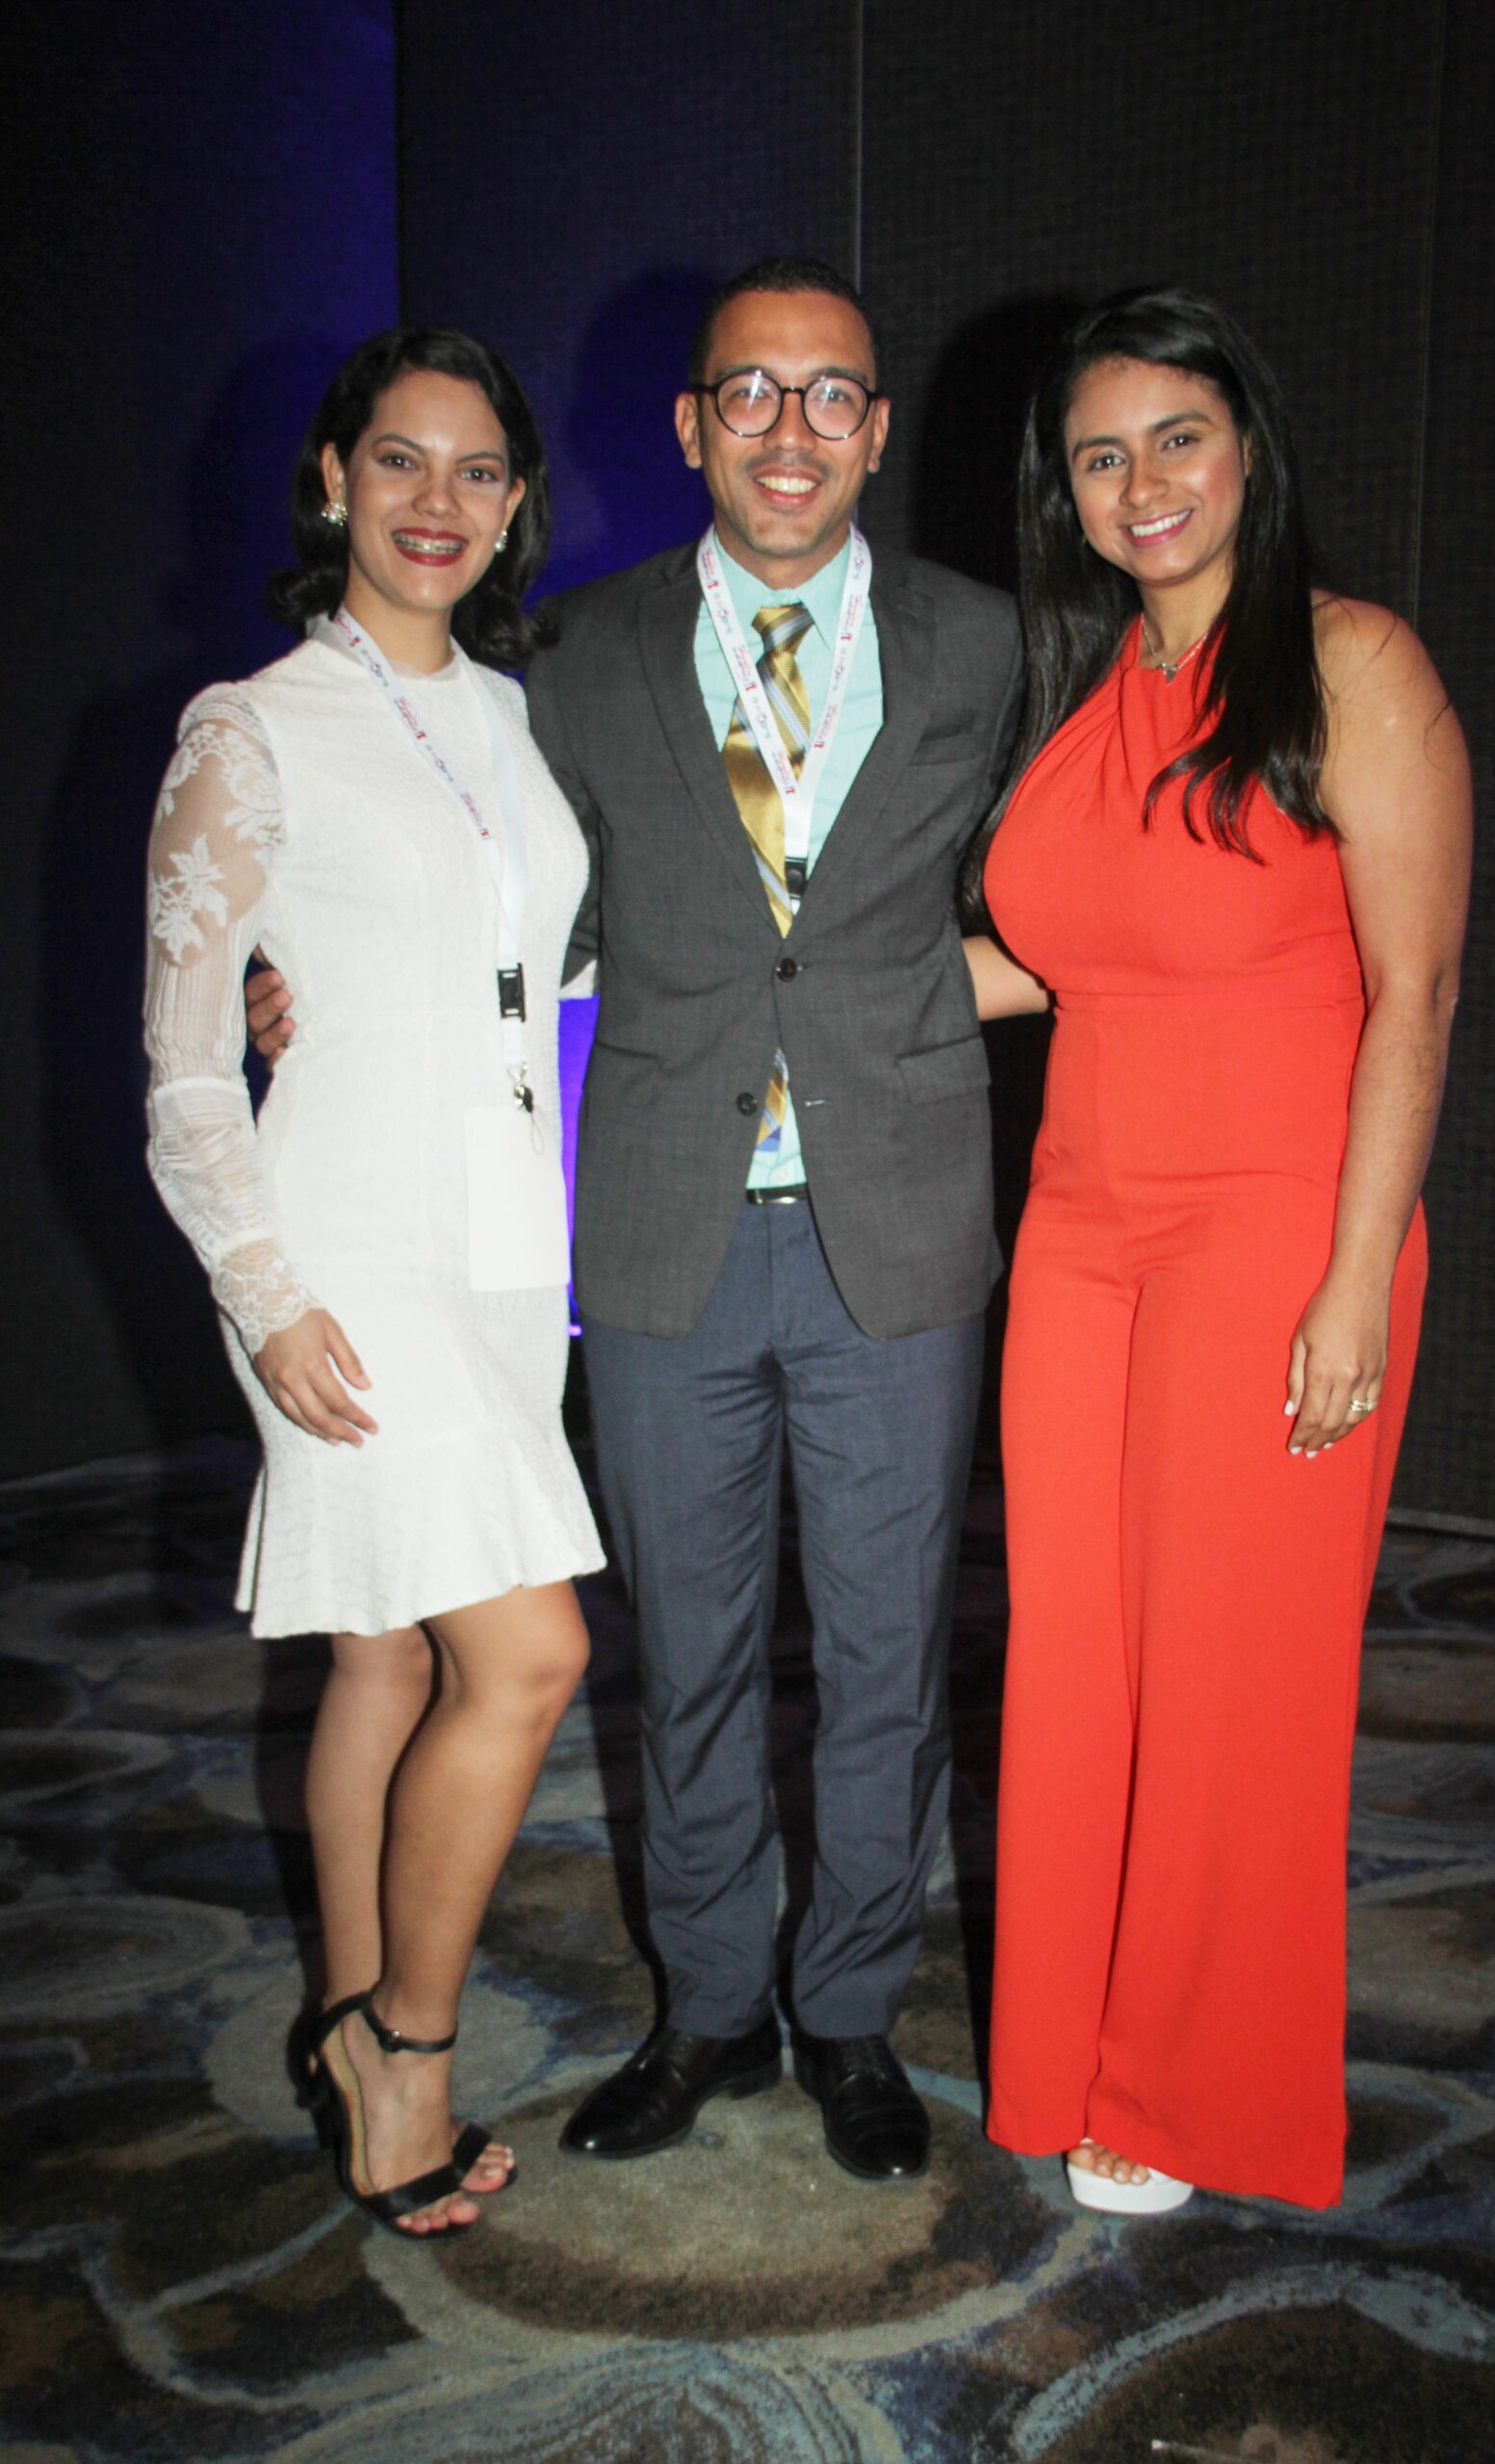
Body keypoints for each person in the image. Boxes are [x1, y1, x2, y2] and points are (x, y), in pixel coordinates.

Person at [258, 258, 1023, 2179]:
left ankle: (848, 2012)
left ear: (874, 427)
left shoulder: (982, 643)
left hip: (898, 1230)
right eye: (749, 393)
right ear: (689, 426)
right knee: (685, 1660)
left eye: (830, 394)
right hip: (662, 1227)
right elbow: (502, 907)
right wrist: (301, 980)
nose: (790, 430)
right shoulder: (577, 657)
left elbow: (1070, 892)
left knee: (884, 1665)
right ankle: (708, 2007)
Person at [965, 286, 1470, 2213]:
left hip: (1276, 1228)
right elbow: (1047, 963)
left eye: (1174, 436)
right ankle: (1068, 2044)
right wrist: (762, 984)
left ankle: (1186, 2091)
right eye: (1098, 456)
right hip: (1079, 1236)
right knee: (1076, 1658)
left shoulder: (1351, 661)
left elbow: (1415, 992)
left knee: (1228, 1680)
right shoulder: (1093, 691)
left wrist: (1356, 1275)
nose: (1139, 482)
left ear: (1246, 446)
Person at [143, 328, 604, 2237]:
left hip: (502, 1245)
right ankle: (407, 2048)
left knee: (385, 1648)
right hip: (339, 1244)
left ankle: (342, 2008)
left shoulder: (515, 714)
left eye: (478, 470)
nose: (438, 501)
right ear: (333, 477)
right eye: (399, 460)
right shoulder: (250, 725)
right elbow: (185, 1072)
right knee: (533, 1654)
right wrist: (266, 1294)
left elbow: (530, 972)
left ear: (515, 505)